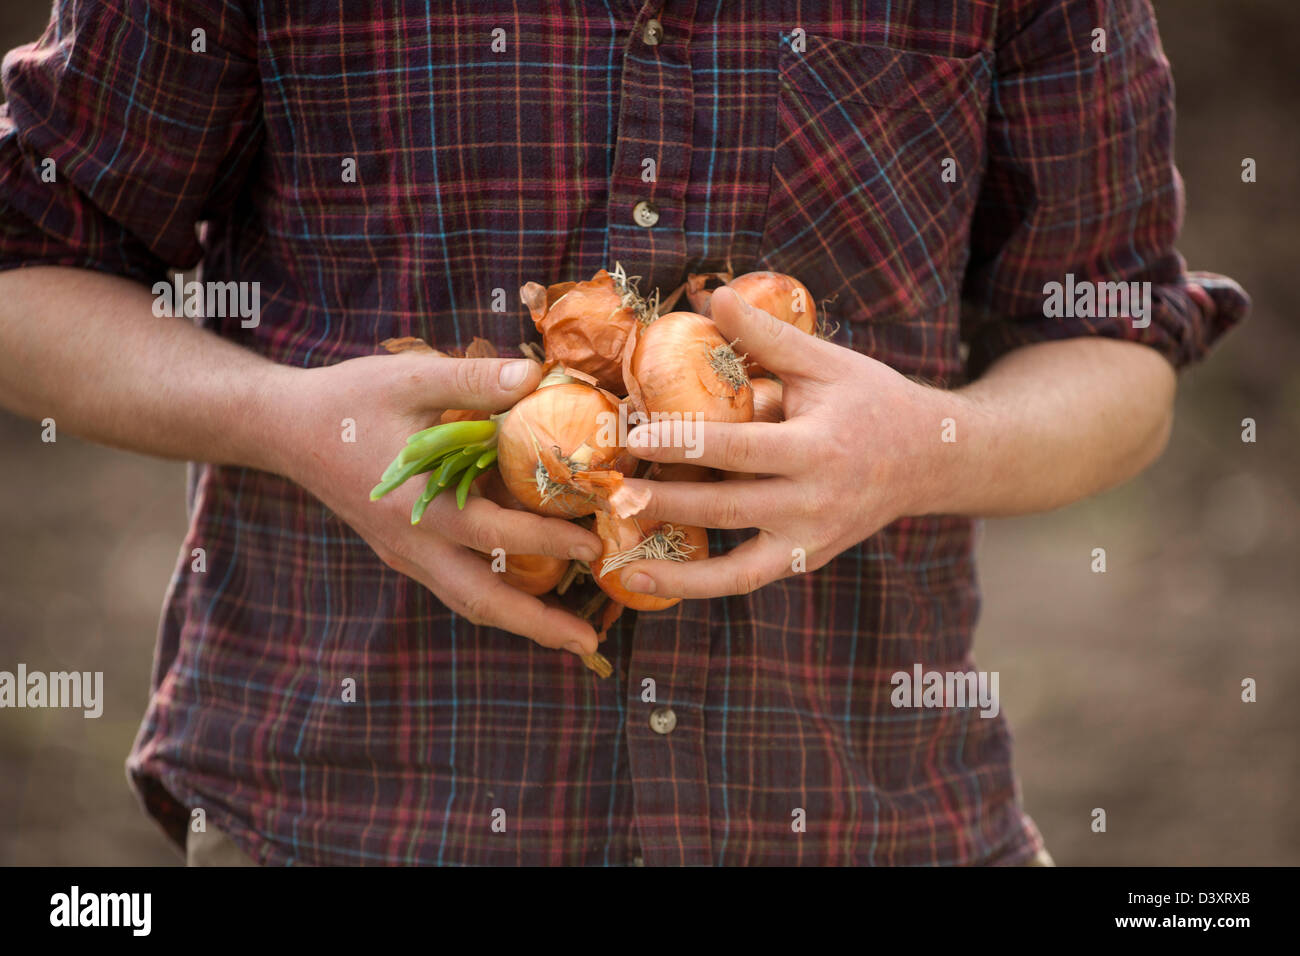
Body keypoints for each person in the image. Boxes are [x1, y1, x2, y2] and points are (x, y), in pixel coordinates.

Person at [0, 1, 1245, 866]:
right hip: (345, 817)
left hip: (868, 817)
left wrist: (927, 448)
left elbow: (1118, 341)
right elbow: (25, 271)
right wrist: (283, 418)